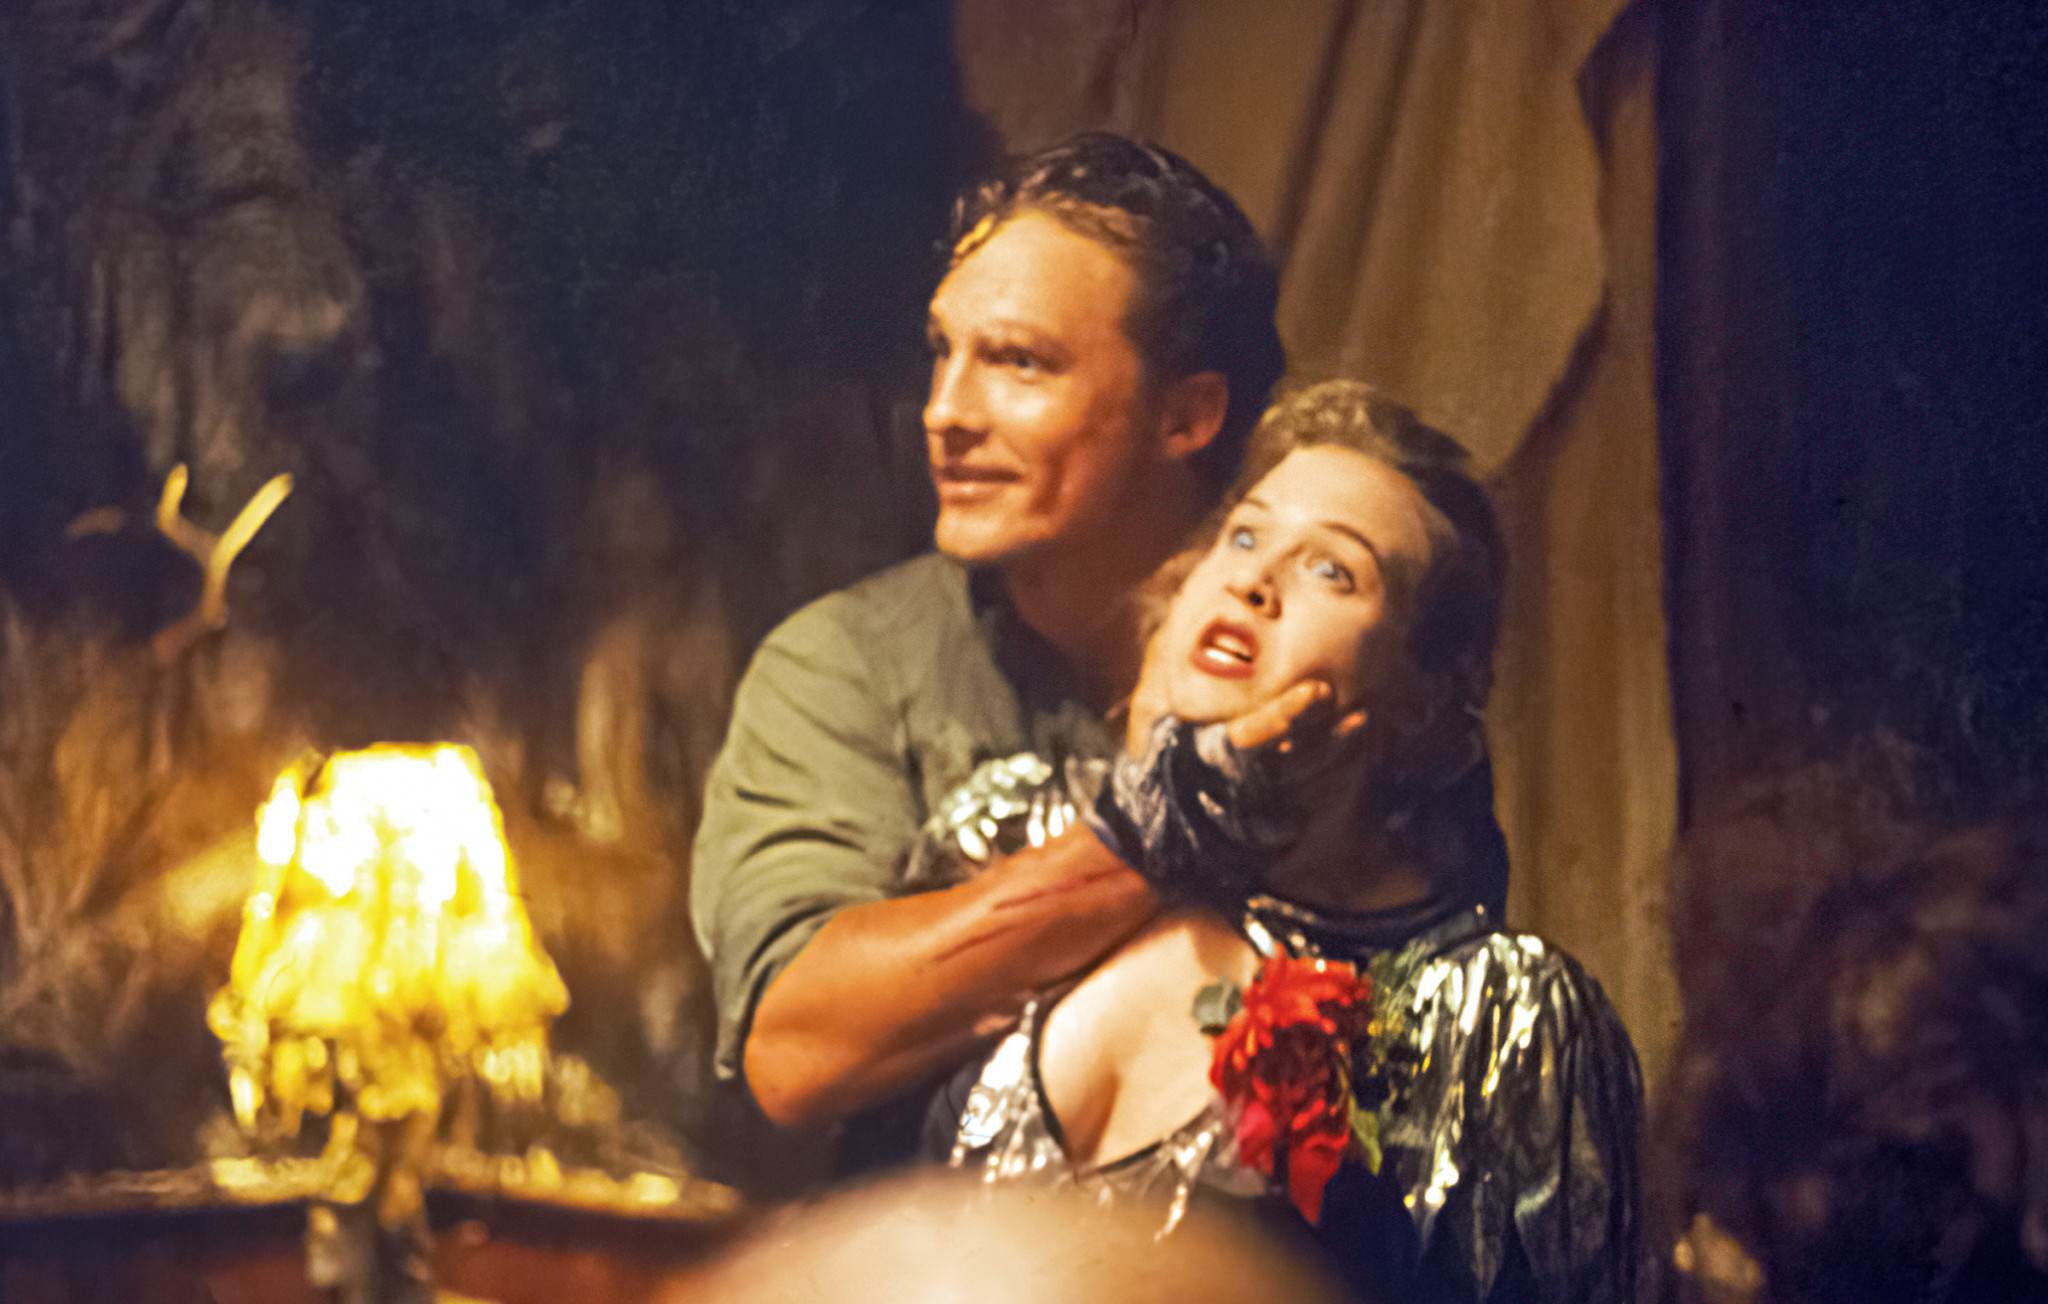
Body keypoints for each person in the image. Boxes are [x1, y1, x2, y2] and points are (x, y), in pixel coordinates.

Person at [924, 381, 1644, 1304]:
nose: (1253, 582)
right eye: (1245, 537)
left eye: (1332, 572)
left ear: (1421, 695)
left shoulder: (1498, 1013)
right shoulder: (1029, 839)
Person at [690, 132, 1286, 1180]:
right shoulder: (847, 667)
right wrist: (1158, 829)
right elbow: (795, 1042)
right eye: (942, 351)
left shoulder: (1312, 652)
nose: (945, 414)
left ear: (1187, 414)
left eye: (1018, 363)